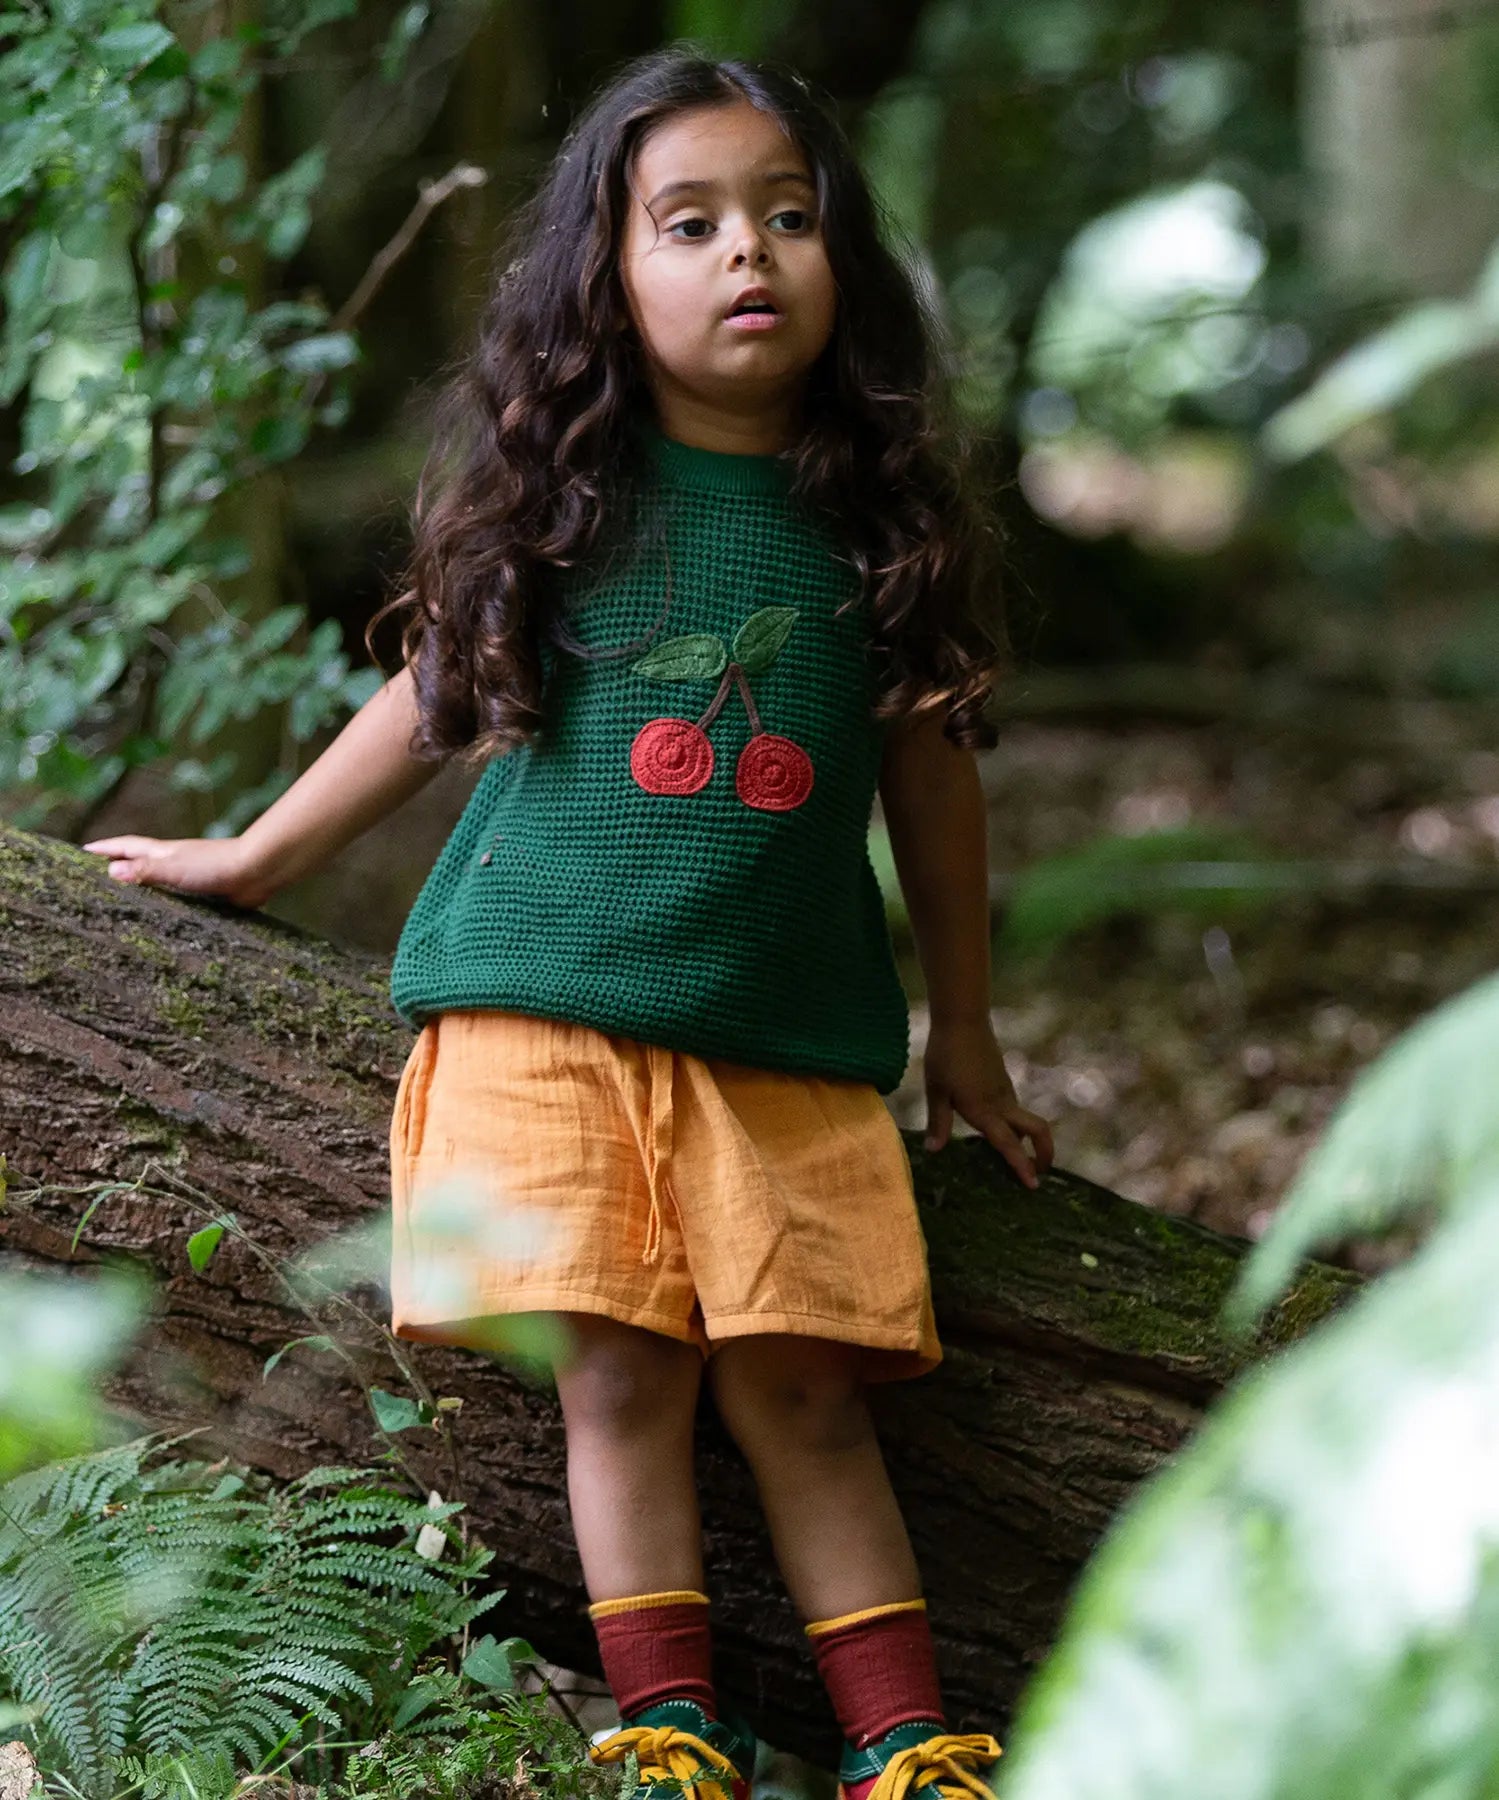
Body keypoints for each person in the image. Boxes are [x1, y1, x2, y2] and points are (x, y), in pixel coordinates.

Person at [82, 43, 1054, 1800]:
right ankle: (669, 1721)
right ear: (607, 277)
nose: (749, 254)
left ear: (851, 262)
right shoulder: (568, 497)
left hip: (785, 1039)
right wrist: (257, 857)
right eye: (690, 224)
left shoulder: (870, 528)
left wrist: (965, 1029)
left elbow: (935, 788)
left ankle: (911, 1744)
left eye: (789, 216)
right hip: (544, 1011)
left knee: (806, 1389)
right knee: (616, 1377)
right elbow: (432, 695)